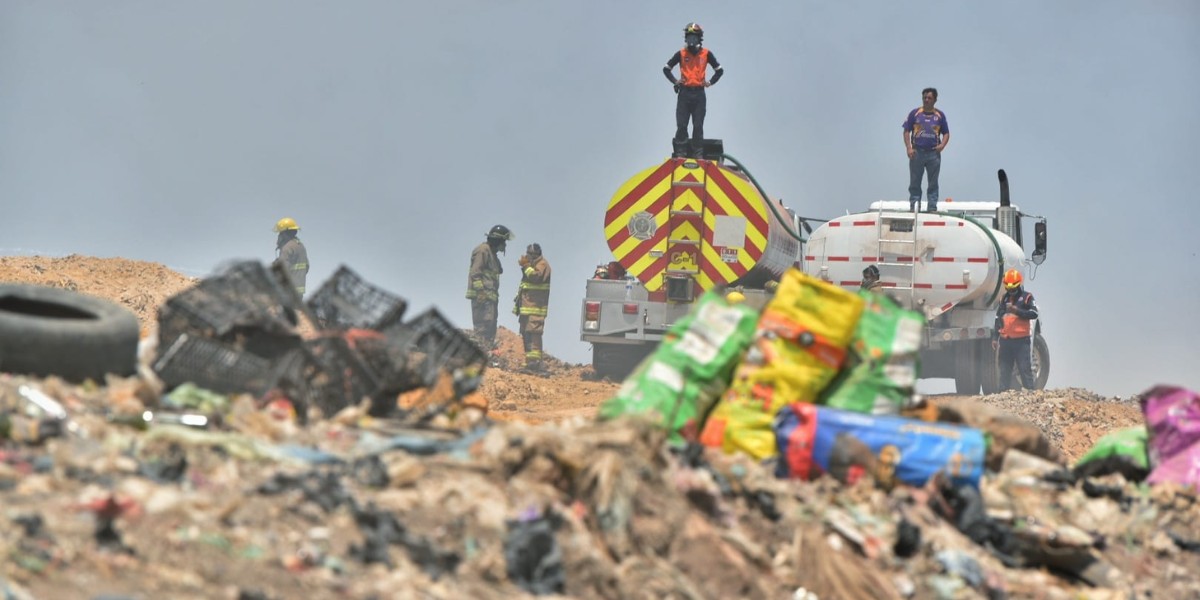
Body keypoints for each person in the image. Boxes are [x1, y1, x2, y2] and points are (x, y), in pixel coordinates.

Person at [663, 23, 724, 157]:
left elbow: (719, 70)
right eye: (689, 37)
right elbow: (666, 69)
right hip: (684, 93)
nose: (691, 40)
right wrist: (675, 81)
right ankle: (680, 152)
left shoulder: (706, 53)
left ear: (699, 38)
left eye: (694, 37)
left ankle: (698, 153)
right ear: (686, 38)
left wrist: (710, 82)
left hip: (699, 94)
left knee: (698, 125)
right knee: (682, 124)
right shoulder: (681, 53)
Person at [903, 87, 950, 212]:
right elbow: (906, 131)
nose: (926, 100)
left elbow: (946, 133)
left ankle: (932, 207)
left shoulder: (939, 115)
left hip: (934, 154)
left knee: (933, 183)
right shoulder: (915, 113)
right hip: (916, 153)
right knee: (915, 182)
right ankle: (914, 207)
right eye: (924, 98)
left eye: (929, 98)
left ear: (935, 100)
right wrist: (909, 148)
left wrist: (942, 145)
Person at [466, 224, 512, 348]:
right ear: (497, 240)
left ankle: (487, 351)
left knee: (490, 326)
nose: (504, 245)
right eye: (503, 241)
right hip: (482, 296)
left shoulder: (492, 253)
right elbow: (475, 273)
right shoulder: (482, 250)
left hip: (490, 297)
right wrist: (480, 292)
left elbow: (498, 270)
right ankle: (481, 351)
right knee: (483, 326)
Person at [992, 269, 1038, 390]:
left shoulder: (1027, 297)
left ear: (1018, 285)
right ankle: (1003, 394)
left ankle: (1030, 393)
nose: (1011, 291)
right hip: (1006, 341)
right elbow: (998, 318)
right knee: (1004, 370)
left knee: (1024, 369)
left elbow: (1034, 314)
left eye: (1013, 289)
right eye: (1008, 289)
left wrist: (1017, 311)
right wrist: (995, 338)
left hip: (1021, 341)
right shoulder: (1003, 299)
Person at [514, 243, 551, 374]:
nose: (526, 256)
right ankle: (530, 363)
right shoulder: (533, 265)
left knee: (534, 335)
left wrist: (526, 266)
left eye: (529, 254)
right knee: (526, 335)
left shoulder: (542, 264)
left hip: (536, 309)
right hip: (526, 308)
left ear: (534, 255)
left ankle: (536, 364)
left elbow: (536, 277)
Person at [273, 217, 309, 296]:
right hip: (299, 291)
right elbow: (306, 267)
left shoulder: (287, 248)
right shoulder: (300, 246)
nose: (279, 236)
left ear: (285, 234)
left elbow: (282, 271)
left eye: (280, 233)